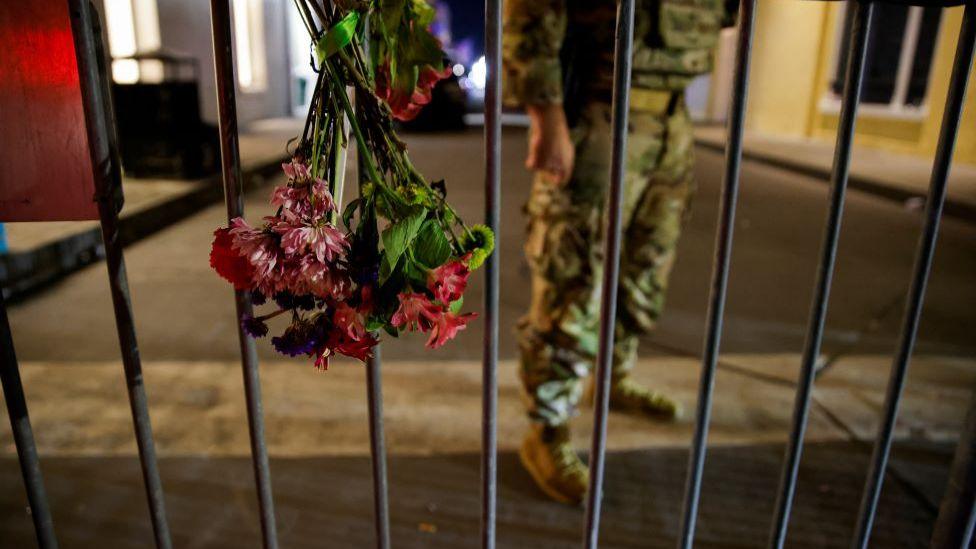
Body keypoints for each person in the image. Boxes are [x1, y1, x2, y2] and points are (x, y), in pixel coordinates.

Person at [503, 0, 733, 504]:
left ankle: (612, 376)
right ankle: (547, 430)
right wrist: (547, 117)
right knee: (573, 279)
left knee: (645, 268)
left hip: (673, 117)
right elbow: (532, 12)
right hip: (599, 112)